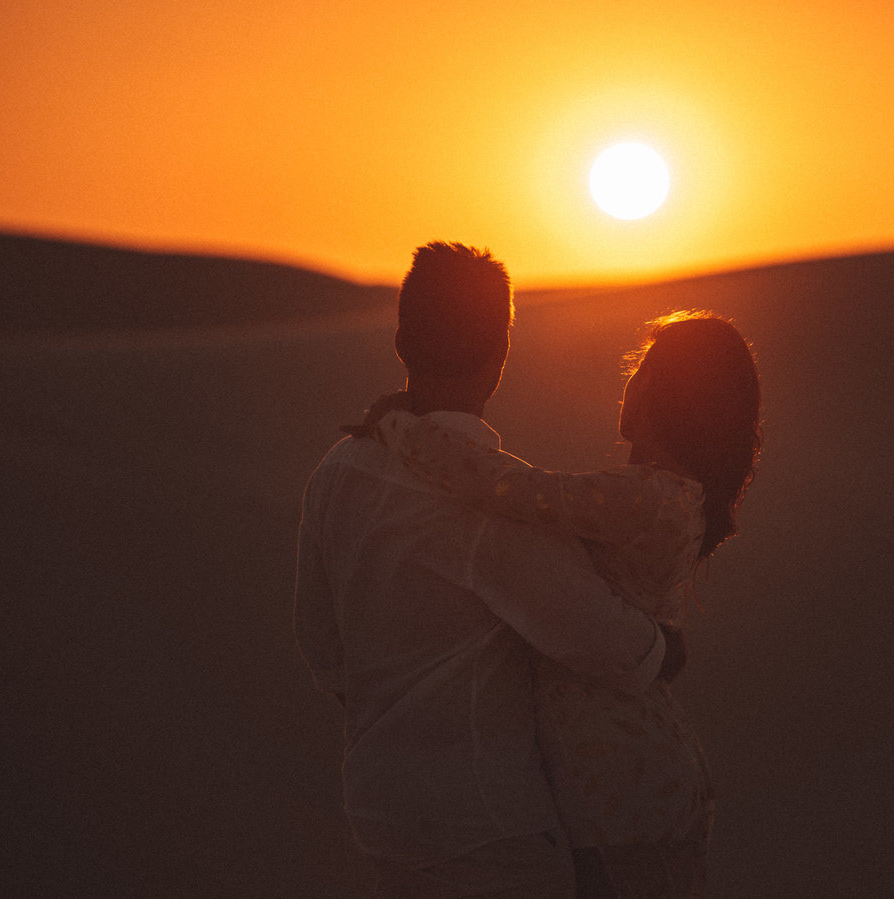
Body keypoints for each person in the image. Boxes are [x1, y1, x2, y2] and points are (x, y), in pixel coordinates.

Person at [293, 242, 675, 897]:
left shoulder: (336, 475)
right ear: (502, 351)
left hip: (382, 815)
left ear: (401, 341)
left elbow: (321, 646)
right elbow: (604, 640)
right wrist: (667, 643)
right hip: (485, 829)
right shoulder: (494, 504)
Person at [366, 311, 762, 896]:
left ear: (671, 394)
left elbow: (509, 488)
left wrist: (400, 427)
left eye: (647, 369)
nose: (632, 381)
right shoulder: (666, 498)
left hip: (620, 782)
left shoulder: (650, 497)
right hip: (623, 774)